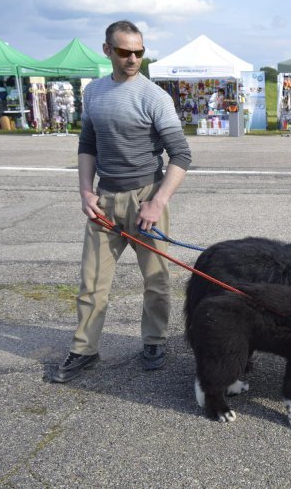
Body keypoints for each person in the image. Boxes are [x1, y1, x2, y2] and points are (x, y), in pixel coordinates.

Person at [48, 20, 192, 383]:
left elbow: (181, 155)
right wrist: (85, 191)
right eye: (125, 52)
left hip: (146, 198)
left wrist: (157, 202)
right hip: (105, 200)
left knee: (156, 280)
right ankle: (84, 350)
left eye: (139, 52)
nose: (133, 59)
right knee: (92, 282)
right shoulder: (93, 93)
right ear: (107, 50)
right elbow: (87, 145)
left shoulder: (154, 97)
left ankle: (155, 341)